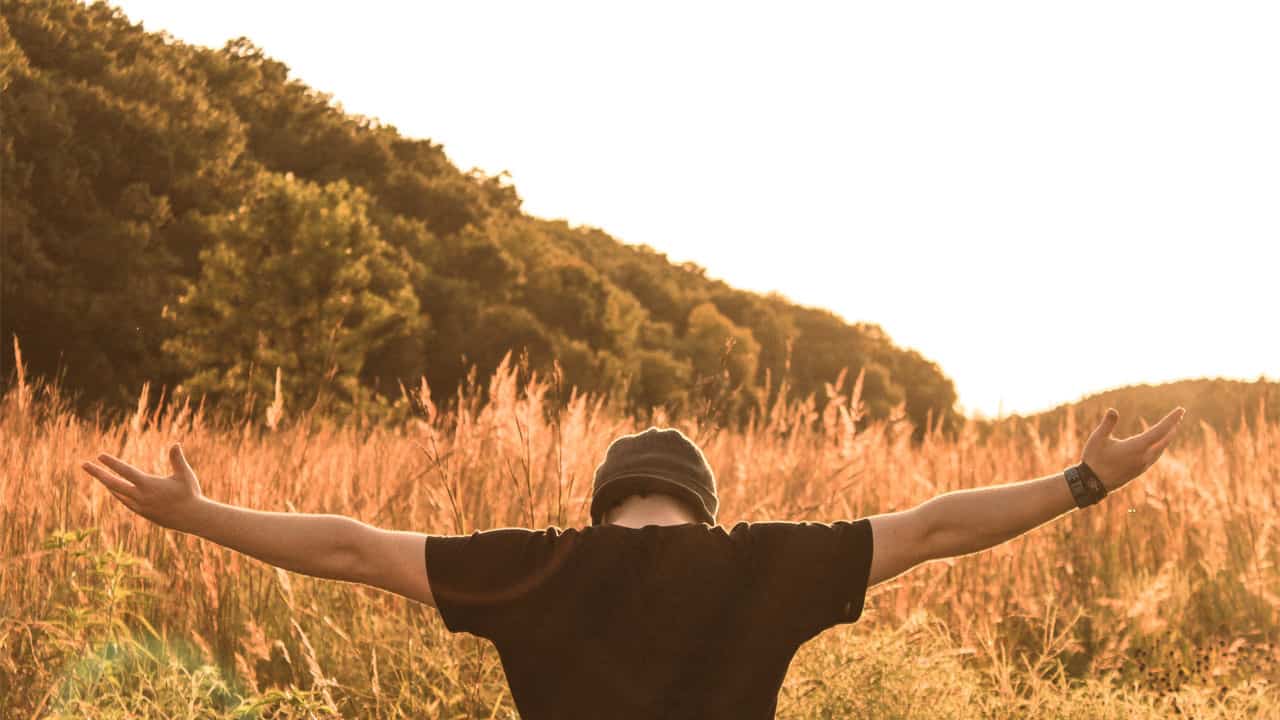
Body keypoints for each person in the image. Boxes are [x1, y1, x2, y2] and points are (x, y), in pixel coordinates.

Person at [81, 406, 1185, 719]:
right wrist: (1083, 481)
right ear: (701, 506)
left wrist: (199, 515)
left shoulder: (530, 567)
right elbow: (937, 526)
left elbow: (349, 547)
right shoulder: (764, 565)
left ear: (605, 501)